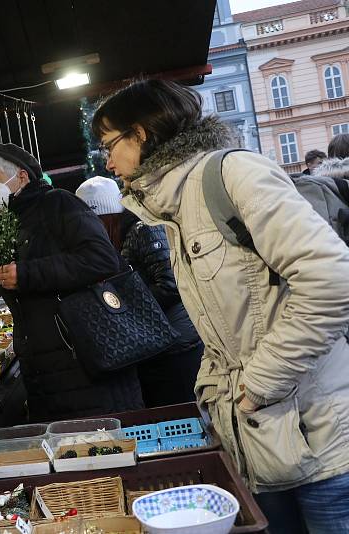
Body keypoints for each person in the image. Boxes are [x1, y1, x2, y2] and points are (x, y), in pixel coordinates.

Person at [93, 78, 349, 533]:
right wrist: (218, 396)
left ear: (143, 133)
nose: (106, 159)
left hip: (322, 440)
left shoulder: (233, 175)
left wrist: (259, 383)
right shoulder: (172, 205)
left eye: (110, 143)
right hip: (262, 439)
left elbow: (331, 281)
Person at [0, 143, 144, 422]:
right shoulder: (2, 222)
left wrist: (27, 273)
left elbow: (102, 259)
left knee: (104, 441)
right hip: (41, 366)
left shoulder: (58, 203)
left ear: (21, 176)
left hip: (85, 356)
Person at [76, 176, 203, 408]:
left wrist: (125, 308)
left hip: (176, 344)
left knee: (179, 411)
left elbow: (170, 284)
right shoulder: (123, 234)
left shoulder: (143, 230)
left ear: (105, 216)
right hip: (157, 343)